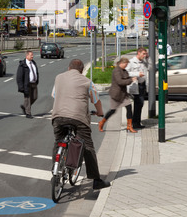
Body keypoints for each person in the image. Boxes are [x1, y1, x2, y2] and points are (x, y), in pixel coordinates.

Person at [51, 59, 110, 190]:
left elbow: (54, 95)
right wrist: (100, 113)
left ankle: (54, 174)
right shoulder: (87, 82)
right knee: (87, 146)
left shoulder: (58, 78)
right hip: (78, 118)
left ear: (68, 68)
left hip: (58, 117)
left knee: (58, 141)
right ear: (82, 71)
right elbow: (96, 100)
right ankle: (96, 180)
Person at [99, 57, 138, 133]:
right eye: (126, 64)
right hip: (116, 95)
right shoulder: (116, 71)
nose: (126, 66)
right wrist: (131, 80)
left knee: (129, 107)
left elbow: (126, 78)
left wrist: (133, 78)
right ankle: (102, 122)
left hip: (124, 94)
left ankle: (129, 126)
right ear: (121, 63)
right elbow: (120, 81)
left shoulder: (124, 70)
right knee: (113, 110)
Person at [126, 48, 148, 129]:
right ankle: (135, 123)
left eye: (145, 54)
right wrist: (137, 74)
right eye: (143, 54)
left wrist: (148, 58)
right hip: (136, 85)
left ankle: (136, 122)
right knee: (138, 104)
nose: (144, 55)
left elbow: (151, 67)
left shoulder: (144, 62)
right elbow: (126, 72)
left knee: (140, 105)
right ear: (138, 53)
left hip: (142, 85)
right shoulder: (131, 62)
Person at [16, 50, 39, 119]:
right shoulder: (23, 65)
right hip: (27, 84)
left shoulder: (33, 63)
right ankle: (28, 113)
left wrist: (37, 80)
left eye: (32, 55)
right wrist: (21, 86)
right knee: (27, 98)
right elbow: (19, 77)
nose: (32, 56)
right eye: (31, 55)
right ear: (27, 56)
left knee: (35, 97)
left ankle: (25, 106)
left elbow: (36, 72)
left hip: (34, 83)